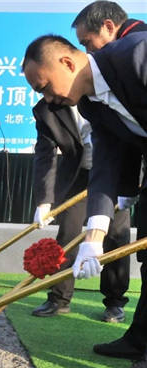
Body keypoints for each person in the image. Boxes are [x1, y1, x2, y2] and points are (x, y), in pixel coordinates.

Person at [22, 32, 147, 368]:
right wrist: (94, 237)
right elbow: (106, 166)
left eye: (45, 87)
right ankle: (138, 341)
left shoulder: (138, 54)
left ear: (67, 62)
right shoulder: (92, 105)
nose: (48, 98)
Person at [30, 99, 130, 322]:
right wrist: (44, 202)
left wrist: (132, 183)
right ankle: (59, 299)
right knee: (68, 233)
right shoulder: (47, 108)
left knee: (116, 235)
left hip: (115, 174)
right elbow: (45, 156)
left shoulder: (109, 94)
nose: (46, 91)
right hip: (79, 175)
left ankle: (114, 303)